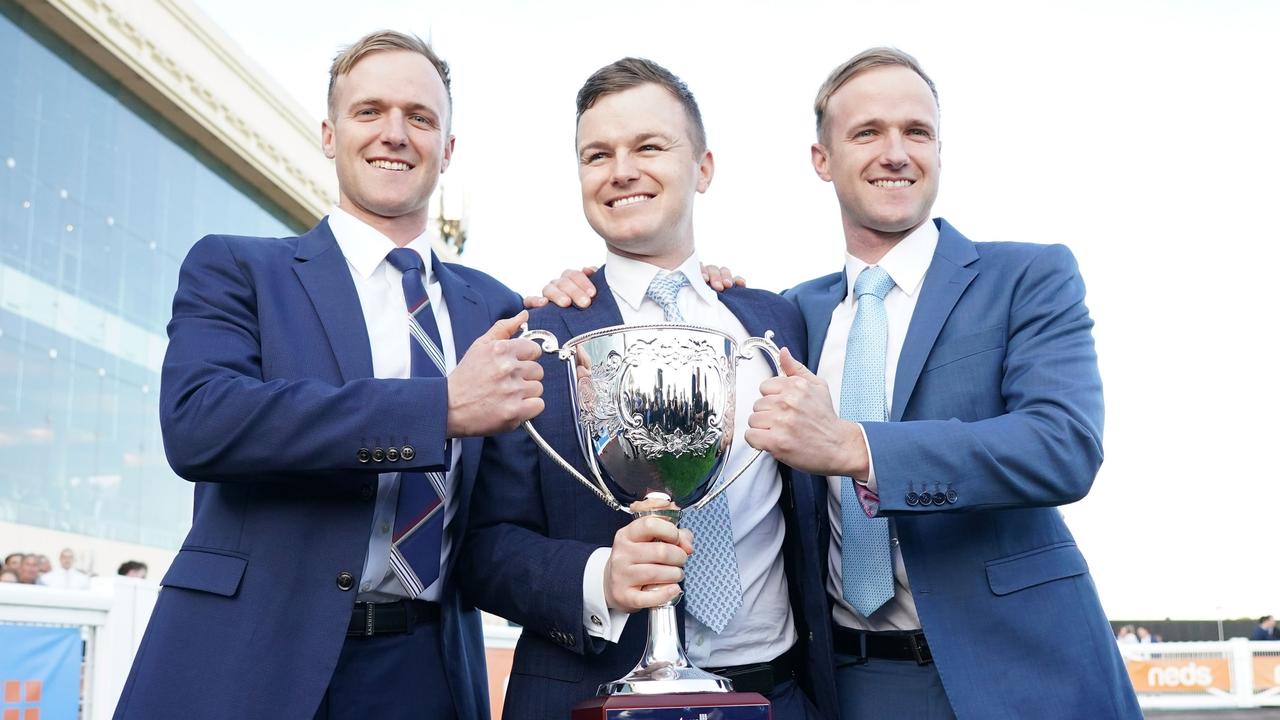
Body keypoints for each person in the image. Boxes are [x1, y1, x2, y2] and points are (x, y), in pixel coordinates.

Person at [540, 47, 1140, 720]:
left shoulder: (1027, 277)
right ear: (821, 159)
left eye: (916, 132)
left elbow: (1064, 445)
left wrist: (856, 447)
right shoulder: (789, 314)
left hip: (1018, 671)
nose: (895, 152)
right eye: (866, 133)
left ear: (940, 149)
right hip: (850, 683)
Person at [113, 30, 544, 720]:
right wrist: (435, 410)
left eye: (420, 117)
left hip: (424, 675)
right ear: (329, 133)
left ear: (449, 149)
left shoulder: (494, 307)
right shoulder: (238, 267)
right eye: (369, 111)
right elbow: (200, 424)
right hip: (245, 660)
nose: (395, 133)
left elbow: (499, 525)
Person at [460, 58, 836, 720]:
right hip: (591, 696)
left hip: (778, 695)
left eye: (649, 147)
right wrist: (596, 578)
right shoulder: (538, 341)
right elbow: (483, 547)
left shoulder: (776, 324)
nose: (622, 170)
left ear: (704, 168)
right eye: (597, 154)